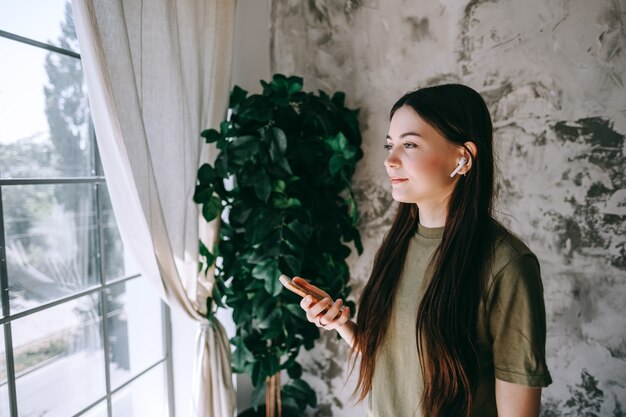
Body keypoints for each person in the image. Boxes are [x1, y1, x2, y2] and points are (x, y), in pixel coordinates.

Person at [293, 83, 553, 417]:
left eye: (410, 144)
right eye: (390, 145)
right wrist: (341, 324)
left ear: (463, 158)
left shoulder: (507, 265)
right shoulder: (399, 244)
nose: (390, 160)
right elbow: (398, 362)